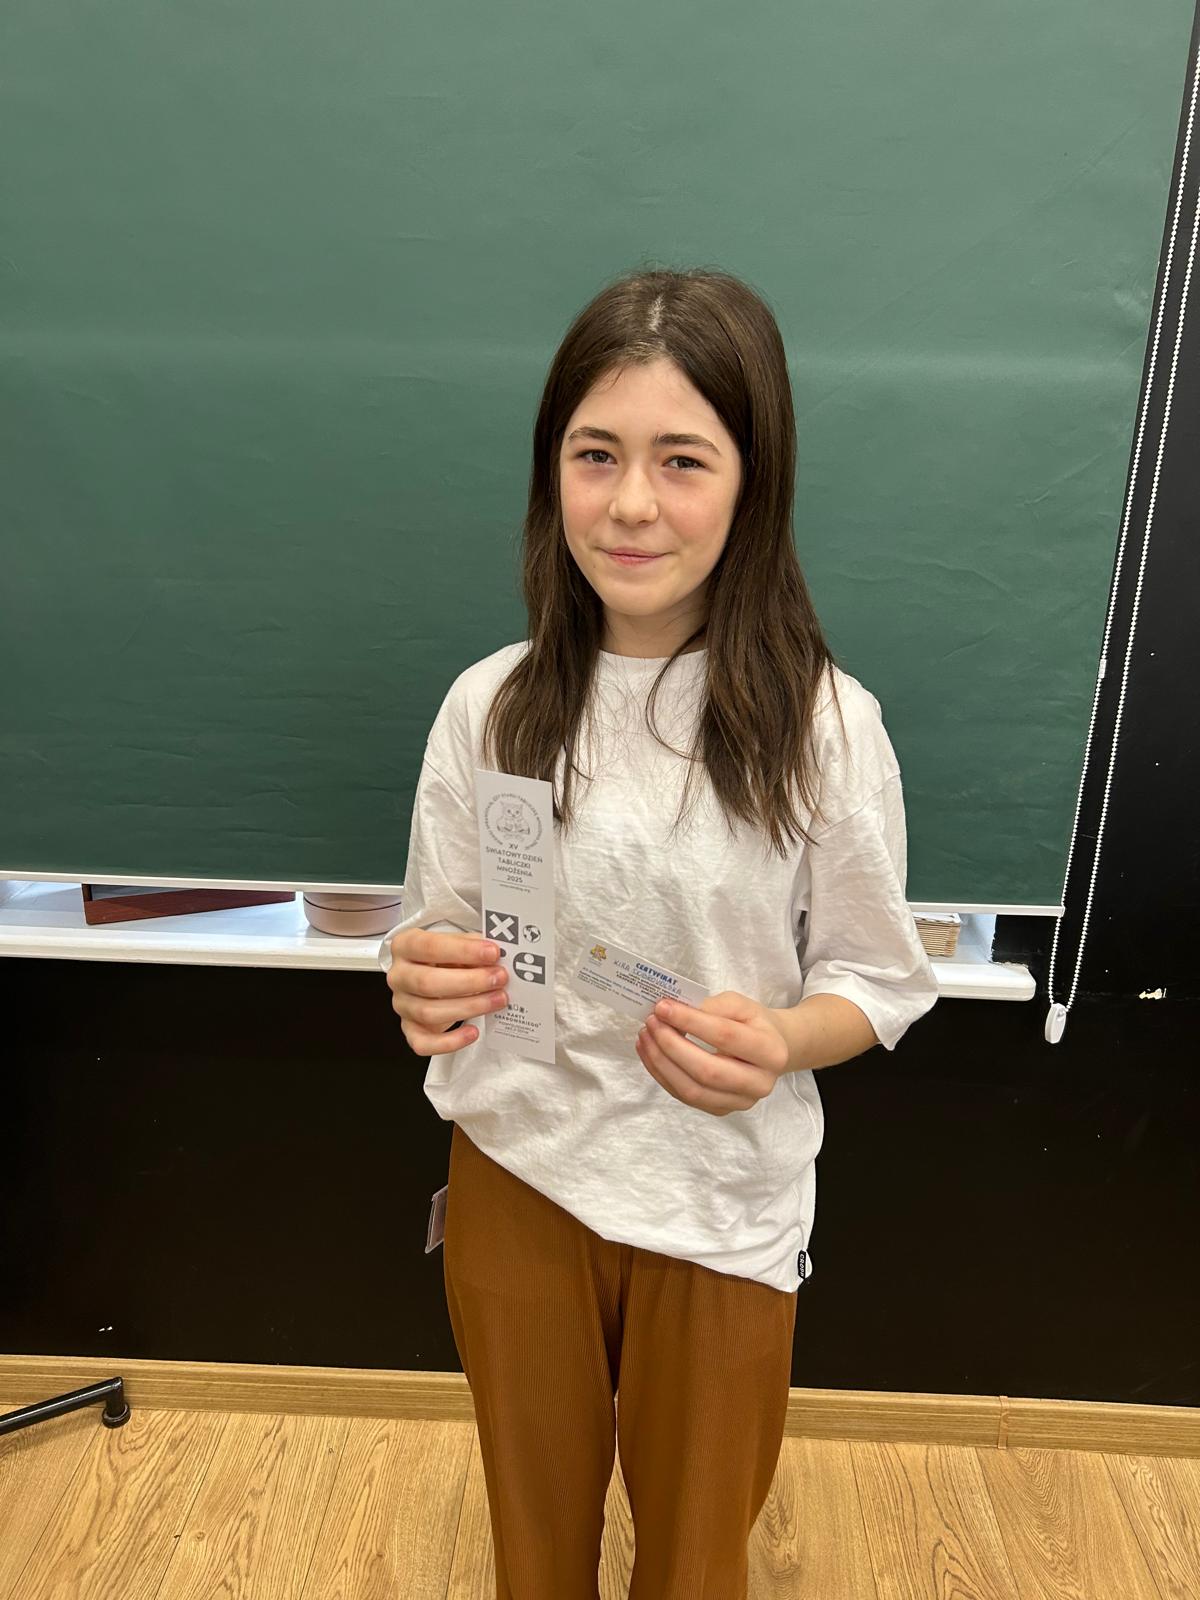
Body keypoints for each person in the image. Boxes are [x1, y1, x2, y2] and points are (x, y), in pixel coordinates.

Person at [379, 265, 939, 1600]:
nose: (631, 503)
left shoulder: (826, 725)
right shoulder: (490, 705)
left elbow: (876, 979)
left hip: (718, 1195)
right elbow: (439, 935)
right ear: (552, 473)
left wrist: (783, 1040)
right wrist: (421, 982)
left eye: (682, 459)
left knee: (696, 1563)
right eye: (596, 455)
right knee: (534, 1554)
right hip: (518, 1168)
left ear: (753, 482)